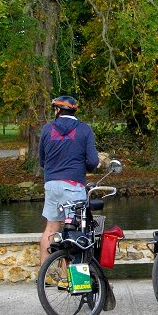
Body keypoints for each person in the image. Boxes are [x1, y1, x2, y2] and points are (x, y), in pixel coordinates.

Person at [38, 95, 100, 265]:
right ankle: (68, 279)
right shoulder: (84, 129)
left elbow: (42, 161)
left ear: (57, 110)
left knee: (51, 228)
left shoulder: (47, 129)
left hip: (51, 185)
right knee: (74, 230)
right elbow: (93, 161)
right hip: (73, 186)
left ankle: (45, 275)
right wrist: (85, 169)